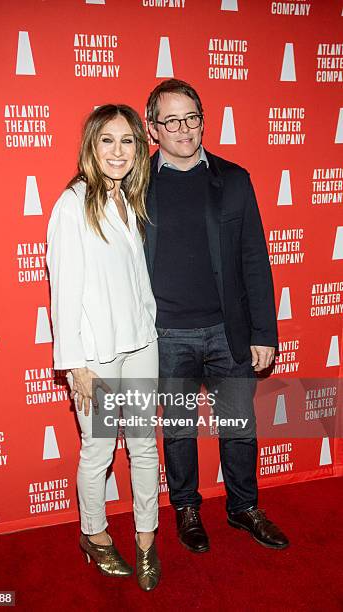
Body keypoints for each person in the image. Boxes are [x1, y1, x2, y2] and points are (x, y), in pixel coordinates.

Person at [144, 79, 289, 553]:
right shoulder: (133, 185)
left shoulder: (234, 179)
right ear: (153, 128)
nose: (184, 129)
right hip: (166, 336)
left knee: (239, 426)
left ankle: (244, 506)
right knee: (180, 429)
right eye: (172, 120)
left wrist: (264, 331)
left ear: (203, 120)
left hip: (230, 334)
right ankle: (186, 508)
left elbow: (254, 259)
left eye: (193, 117)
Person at [46, 104, 161, 591]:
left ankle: (147, 540)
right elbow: (63, 292)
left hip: (141, 344)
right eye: (107, 141)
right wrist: (75, 366)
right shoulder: (72, 204)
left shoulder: (130, 201)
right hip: (97, 354)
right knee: (97, 452)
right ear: (92, 146)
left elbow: (135, 279)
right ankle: (93, 534)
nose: (119, 151)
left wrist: (150, 322)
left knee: (143, 448)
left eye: (128, 141)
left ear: (139, 147)